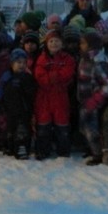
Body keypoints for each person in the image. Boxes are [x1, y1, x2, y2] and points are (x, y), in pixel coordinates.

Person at [34, 29, 77, 159]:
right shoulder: (41, 58)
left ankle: (63, 150)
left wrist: (51, 76)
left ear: (62, 43)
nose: (54, 44)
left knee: (62, 125)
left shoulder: (67, 58)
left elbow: (68, 73)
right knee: (43, 125)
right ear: (46, 44)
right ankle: (42, 150)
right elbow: (39, 76)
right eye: (51, 41)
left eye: (57, 41)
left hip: (60, 96)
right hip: (44, 97)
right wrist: (56, 76)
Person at [76, 32, 108, 165]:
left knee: (92, 130)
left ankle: (98, 154)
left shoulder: (98, 62)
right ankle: (91, 149)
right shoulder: (84, 58)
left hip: (93, 102)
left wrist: (96, 99)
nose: (80, 45)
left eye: (83, 43)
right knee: (84, 127)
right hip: (83, 100)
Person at [0, 48, 37, 159]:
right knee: (11, 129)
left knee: (23, 130)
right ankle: (11, 147)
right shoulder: (7, 76)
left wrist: (24, 88)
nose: (21, 65)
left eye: (24, 63)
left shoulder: (27, 77)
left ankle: (23, 148)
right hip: (10, 108)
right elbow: (0, 88)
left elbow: (32, 91)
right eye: (18, 62)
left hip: (24, 109)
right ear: (12, 63)